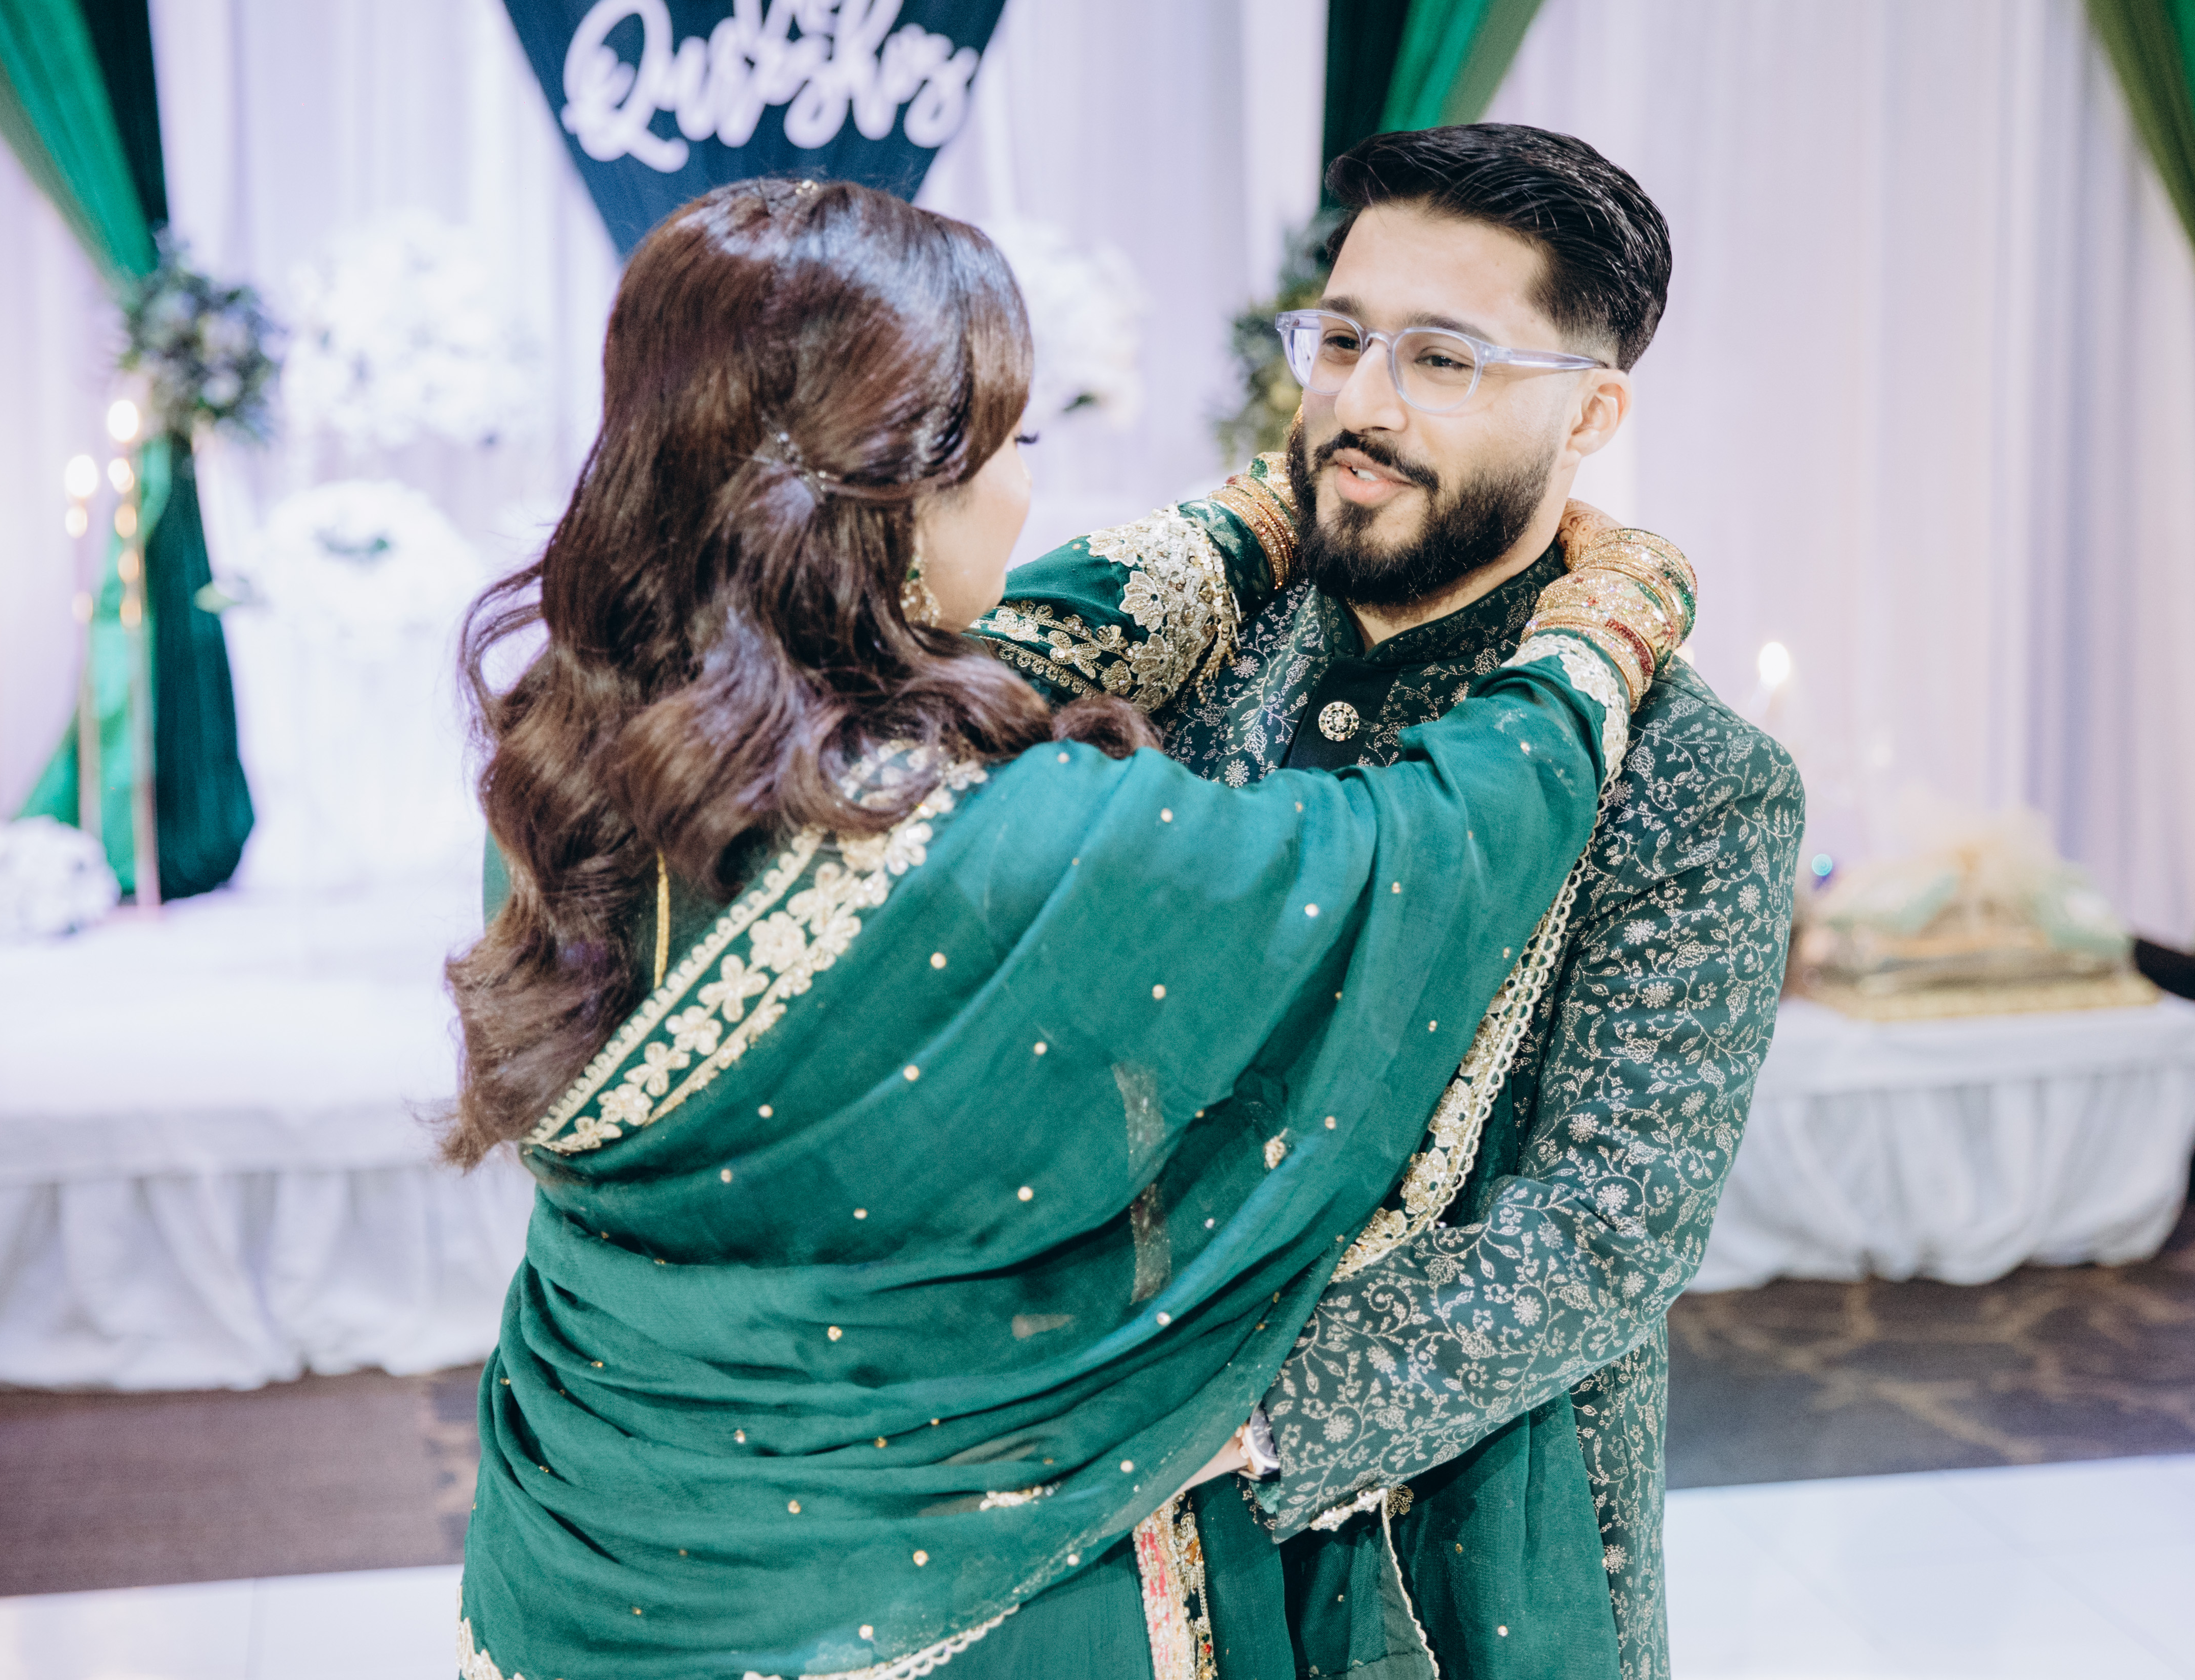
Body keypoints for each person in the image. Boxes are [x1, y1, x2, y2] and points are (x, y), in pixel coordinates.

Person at [444, 175, 1700, 1680]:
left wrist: (1257, 509)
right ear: (892, 505)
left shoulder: (578, 750)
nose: (1030, 493)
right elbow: (1411, 854)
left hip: (588, 1544)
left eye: (1436, 358)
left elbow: (1610, 1216)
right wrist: (1601, 632)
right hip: (935, 1592)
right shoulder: (1006, 846)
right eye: (1014, 447)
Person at [982, 124, 1805, 1680]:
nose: (1361, 403)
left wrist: (1199, 1413)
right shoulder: (1187, 645)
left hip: (1454, 1529)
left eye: (1441, 359)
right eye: (1344, 338)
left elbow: (1605, 1227)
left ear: (1589, 410)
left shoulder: (1684, 774)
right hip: (1074, 1496)